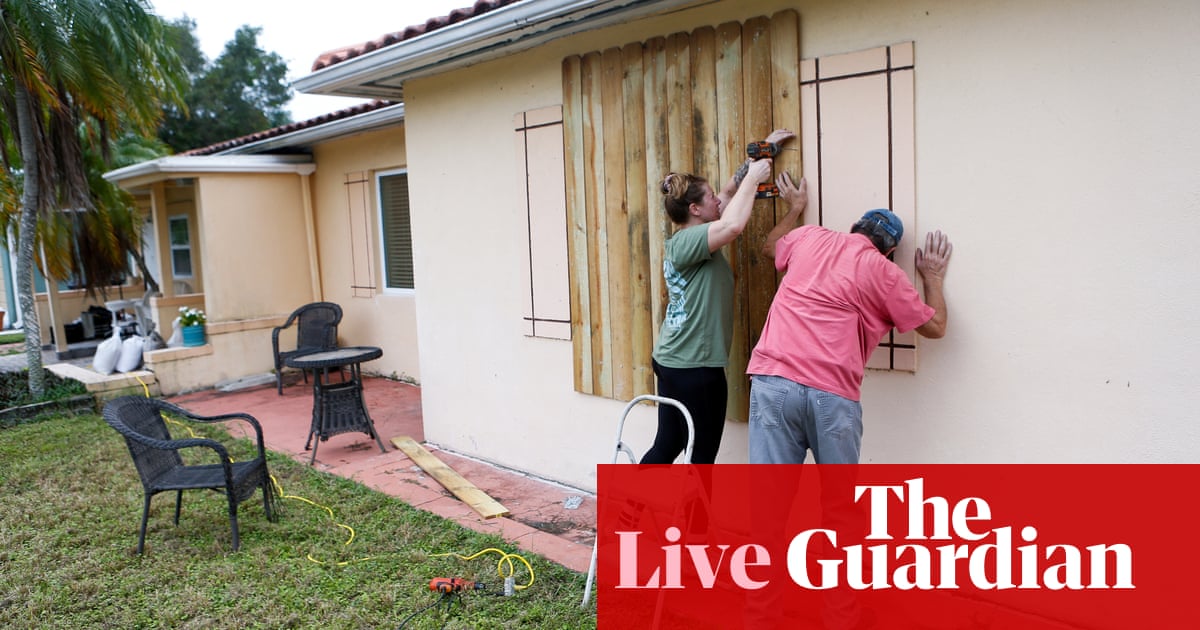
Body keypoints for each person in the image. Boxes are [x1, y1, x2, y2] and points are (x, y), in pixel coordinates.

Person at [746, 172, 953, 465]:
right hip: (832, 393)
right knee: (839, 506)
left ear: (854, 227)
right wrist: (932, 278)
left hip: (774, 381)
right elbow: (936, 327)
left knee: (769, 503)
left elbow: (771, 248)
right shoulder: (886, 272)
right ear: (890, 251)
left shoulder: (810, 236)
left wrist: (795, 208)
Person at [640, 128, 795, 466]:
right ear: (695, 208)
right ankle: (693, 520)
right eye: (709, 197)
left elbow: (728, 192)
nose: (718, 200)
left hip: (677, 360)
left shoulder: (694, 233)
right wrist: (755, 178)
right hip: (695, 366)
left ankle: (631, 513)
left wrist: (760, 153)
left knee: (669, 444)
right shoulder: (688, 240)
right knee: (700, 455)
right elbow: (733, 226)